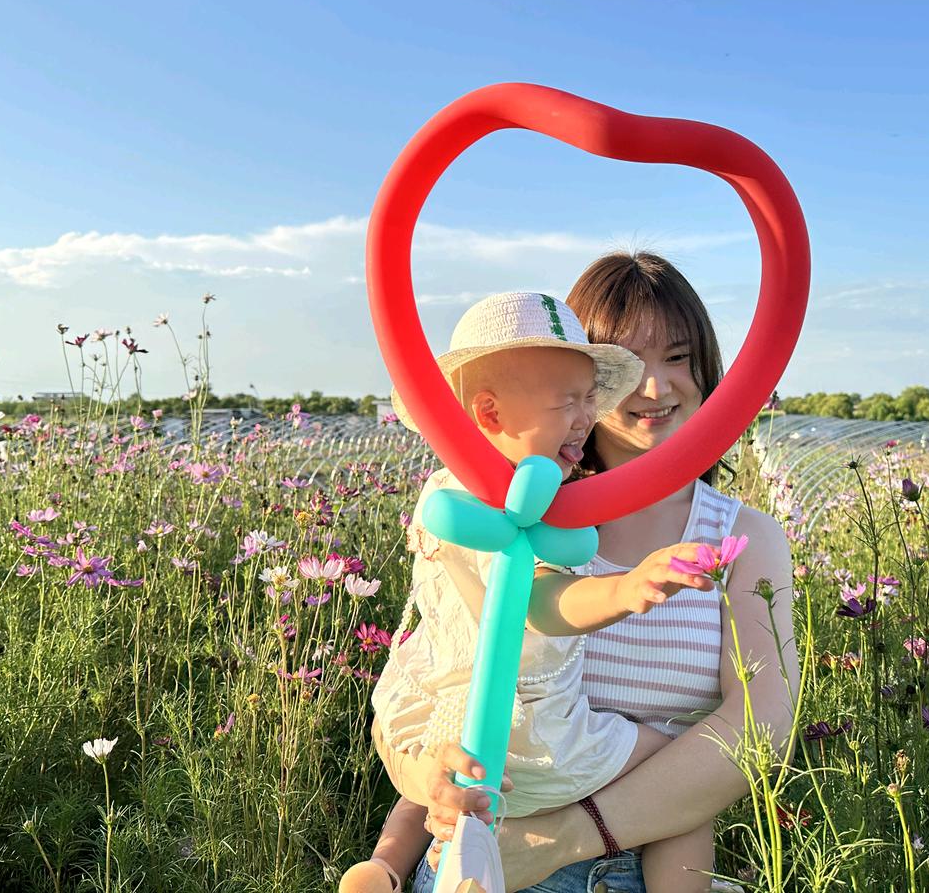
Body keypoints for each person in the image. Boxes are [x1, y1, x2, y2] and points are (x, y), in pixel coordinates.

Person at [414, 252, 800, 893]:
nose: (654, 388)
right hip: (488, 854)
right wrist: (430, 774)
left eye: (678, 357)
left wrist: (570, 839)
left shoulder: (743, 538)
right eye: (627, 365)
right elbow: (431, 686)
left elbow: (761, 728)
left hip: (644, 862)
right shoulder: (518, 521)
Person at [340, 290, 724, 893]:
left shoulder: (446, 492)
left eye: (590, 397)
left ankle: (385, 865)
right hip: (543, 737)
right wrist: (627, 587)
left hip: (441, 707)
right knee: (676, 763)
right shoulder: (523, 509)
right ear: (490, 414)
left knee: (447, 780)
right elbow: (544, 603)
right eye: (569, 401)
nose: (586, 418)